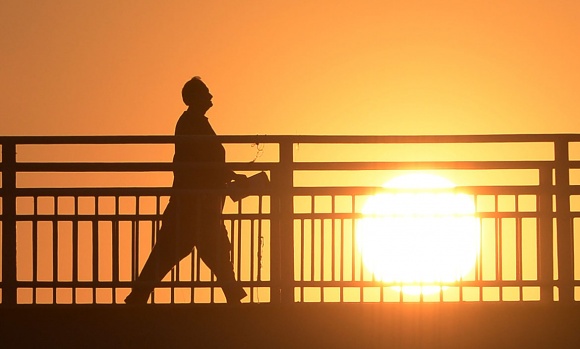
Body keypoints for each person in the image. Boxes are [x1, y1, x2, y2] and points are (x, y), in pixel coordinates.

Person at [125, 76, 247, 304]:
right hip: (195, 203)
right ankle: (234, 298)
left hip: (197, 202)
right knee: (201, 249)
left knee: (199, 249)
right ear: (196, 98)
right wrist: (230, 177)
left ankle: (138, 296)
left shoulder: (193, 122)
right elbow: (206, 161)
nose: (211, 96)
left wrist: (227, 177)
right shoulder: (193, 123)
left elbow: (207, 163)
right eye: (206, 93)